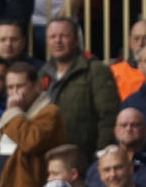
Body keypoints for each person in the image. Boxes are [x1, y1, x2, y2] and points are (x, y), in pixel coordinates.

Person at [39, 17, 120, 162]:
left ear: (77, 40)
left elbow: (108, 116)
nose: (58, 41)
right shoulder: (42, 74)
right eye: (52, 36)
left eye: (64, 36)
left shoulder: (95, 70)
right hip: (48, 158)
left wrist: (101, 153)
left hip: (84, 159)